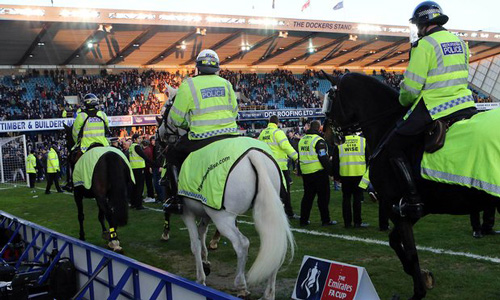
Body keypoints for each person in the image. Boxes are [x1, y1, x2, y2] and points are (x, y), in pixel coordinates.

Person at [387, 1, 477, 218]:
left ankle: (413, 200)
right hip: (465, 103)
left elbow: (411, 88)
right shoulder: (460, 42)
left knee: (394, 146)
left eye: (417, 24)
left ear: (423, 23)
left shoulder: (425, 45)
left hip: (437, 105)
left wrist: (402, 100)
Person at [163, 49, 239, 214]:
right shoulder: (226, 84)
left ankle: (177, 200)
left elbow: (175, 119)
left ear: (197, 67)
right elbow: (235, 111)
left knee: (172, 155)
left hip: (202, 137)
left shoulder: (189, 85)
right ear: (217, 67)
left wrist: (188, 122)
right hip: (231, 135)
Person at [258, 115, 299, 219]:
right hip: (280, 167)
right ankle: (288, 213)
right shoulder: (278, 132)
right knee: (285, 191)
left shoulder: (262, 133)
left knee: (269, 191)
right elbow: (286, 146)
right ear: (278, 123)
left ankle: (269, 213)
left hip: (266, 166)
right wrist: (297, 157)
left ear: (269, 122)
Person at [298, 120, 337, 226]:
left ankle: (303, 220)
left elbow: (299, 156)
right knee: (323, 198)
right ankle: (325, 220)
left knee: (307, 198)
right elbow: (323, 157)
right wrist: (331, 172)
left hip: (306, 173)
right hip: (318, 173)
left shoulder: (302, 140)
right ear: (319, 128)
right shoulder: (318, 140)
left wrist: (300, 171)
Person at [333, 134, 369, 228]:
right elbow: (368, 158)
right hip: (359, 174)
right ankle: (357, 222)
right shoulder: (362, 141)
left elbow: (335, 161)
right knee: (357, 199)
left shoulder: (340, 142)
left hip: (345, 174)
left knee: (346, 198)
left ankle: (347, 223)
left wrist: (336, 176)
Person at [129, 134, 154, 210]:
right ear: (134, 139)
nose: (140, 140)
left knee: (134, 187)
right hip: (139, 168)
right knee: (140, 187)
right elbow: (144, 157)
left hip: (133, 168)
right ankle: (138, 205)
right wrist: (154, 164)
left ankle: (133, 203)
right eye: (138, 138)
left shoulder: (131, 147)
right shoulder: (136, 147)